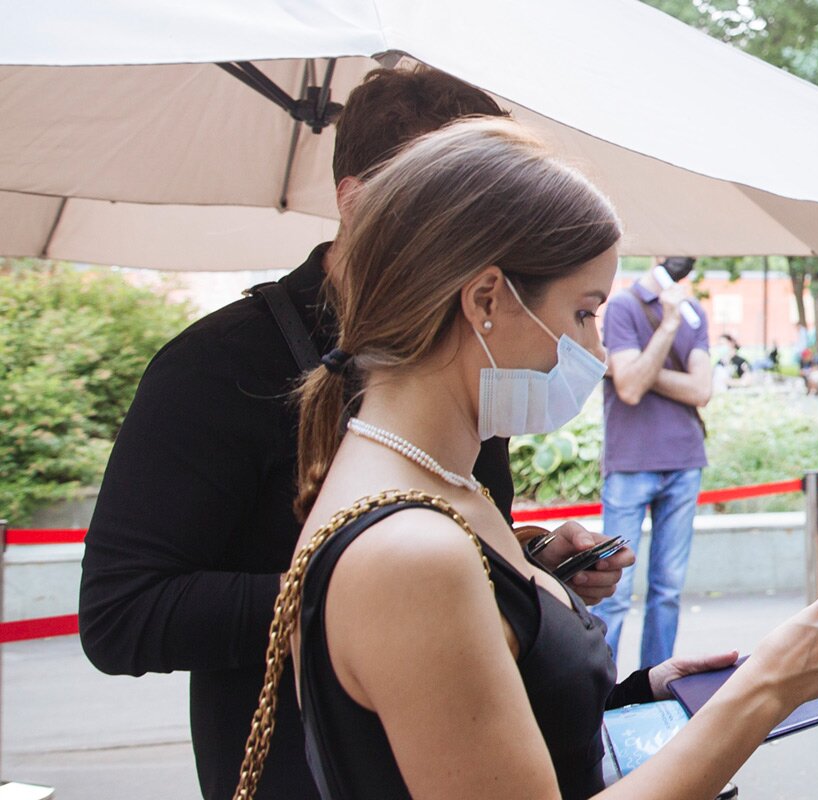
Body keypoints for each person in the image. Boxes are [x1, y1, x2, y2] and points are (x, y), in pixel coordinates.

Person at [247, 117, 818, 800]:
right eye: (585, 312)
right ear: (486, 300)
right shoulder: (413, 553)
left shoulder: (435, 485)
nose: (594, 350)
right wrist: (771, 685)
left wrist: (636, 689)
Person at [77, 67, 631, 800]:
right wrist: (388, 598)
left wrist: (523, 571)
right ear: (361, 202)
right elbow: (123, 614)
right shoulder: (214, 367)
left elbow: (451, 539)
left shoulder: (475, 353)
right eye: (448, 202)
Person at [593, 255, 714, 668]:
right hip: (630, 462)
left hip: (685, 459)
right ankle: (596, 686)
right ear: (659, 255)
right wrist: (665, 327)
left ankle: (653, 684)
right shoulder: (624, 307)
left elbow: (701, 389)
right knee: (614, 589)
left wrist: (638, 371)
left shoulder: (694, 311)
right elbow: (628, 390)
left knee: (668, 590)